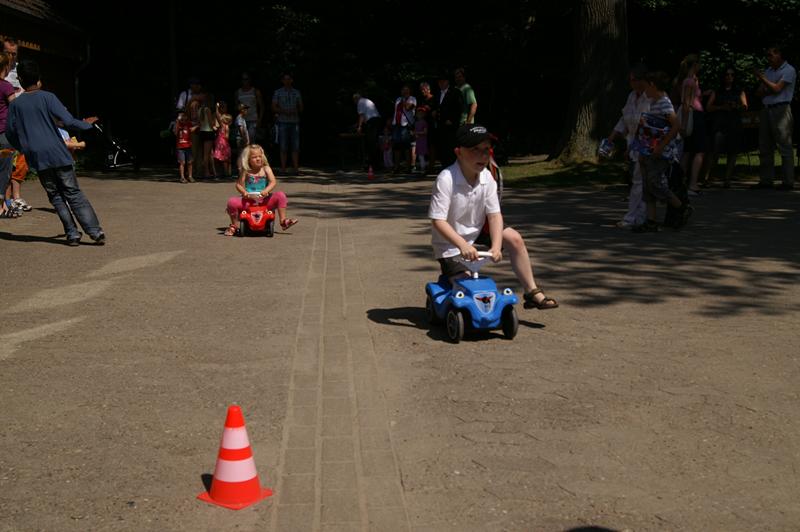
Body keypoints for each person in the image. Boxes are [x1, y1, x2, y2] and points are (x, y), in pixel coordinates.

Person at [429, 123, 558, 310]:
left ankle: (532, 291)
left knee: (514, 238)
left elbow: (495, 215)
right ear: (458, 152)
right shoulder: (446, 179)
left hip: (477, 230)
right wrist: (463, 245)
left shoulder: (487, 177)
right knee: (467, 282)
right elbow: (438, 221)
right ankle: (451, 278)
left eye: (486, 149)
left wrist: (497, 246)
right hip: (451, 243)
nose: (483, 155)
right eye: (475, 149)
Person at [6, 59, 105, 245]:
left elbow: (10, 132)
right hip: (57, 152)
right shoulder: (48, 97)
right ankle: (95, 232)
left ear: (20, 79)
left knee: (56, 196)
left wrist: (24, 147)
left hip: (37, 156)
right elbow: (68, 121)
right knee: (73, 192)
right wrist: (87, 125)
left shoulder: (15, 105)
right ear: (39, 78)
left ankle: (72, 234)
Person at [633, 71, 692, 233]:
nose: (644, 90)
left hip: (661, 152)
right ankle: (651, 221)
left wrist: (661, 146)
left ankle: (681, 206)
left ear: (652, 85)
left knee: (655, 182)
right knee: (647, 186)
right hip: (648, 150)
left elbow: (676, 126)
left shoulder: (664, 102)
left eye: (646, 86)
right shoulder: (653, 102)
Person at [605, 64, 651, 228]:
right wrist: (611, 138)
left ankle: (633, 218)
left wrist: (633, 146)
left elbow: (646, 125)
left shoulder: (650, 97)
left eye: (634, 80)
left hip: (645, 144)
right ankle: (640, 216)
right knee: (639, 181)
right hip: (633, 143)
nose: (631, 83)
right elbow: (624, 119)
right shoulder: (632, 96)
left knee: (639, 181)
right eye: (630, 80)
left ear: (642, 80)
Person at [224, 144, 298, 236]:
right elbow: (239, 185)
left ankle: (283, 221)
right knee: (232, 202)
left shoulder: (266, 169)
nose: (258, 159)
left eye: (260, 156)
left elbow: (273, 182)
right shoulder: (246, 171)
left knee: (280, 195)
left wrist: (266, 190)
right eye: (254, 157)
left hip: (264, 200)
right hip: (249, 201)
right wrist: (244, 192)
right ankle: (234, 226)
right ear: (248, 160)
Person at [752, 45, 796, 190]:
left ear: (779, 55)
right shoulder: (769, 71)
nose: (768, 58)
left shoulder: (789, 70)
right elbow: (759, 92)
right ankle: (766, 180)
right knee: (764, 146)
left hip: (781, 109)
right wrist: (770, 87)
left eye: (771, 55)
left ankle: (788, 182)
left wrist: (762, 79)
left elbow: (777, 89)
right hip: (766, 109)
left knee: (784, 146)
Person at [705, 68, 748, 187]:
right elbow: (708, 107)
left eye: (732, 75)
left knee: (733, 152)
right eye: (727, 74)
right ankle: (708, 178)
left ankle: (727, 179)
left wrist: (736, 106)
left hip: (734, 124)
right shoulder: (717, 91)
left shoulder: (739, 91)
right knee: (715, 151)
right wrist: (721, 107)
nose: (729, 77)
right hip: (719, 124)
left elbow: (745, 106)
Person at [675, 54, 709, 196]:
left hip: (694, 114)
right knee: (699, 150)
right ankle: (692, 183)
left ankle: (681, 183)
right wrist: (683, 125)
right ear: (695, 65)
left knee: (688, 150)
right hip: (694, 116)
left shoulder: (691, 80)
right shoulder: (689, 82)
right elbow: (686, 103)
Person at [0, 49, 20, 218]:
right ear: (5, 67)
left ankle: (4, 205)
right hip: (4, 135)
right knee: (4, 171)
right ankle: (1, 207)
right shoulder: (6, 86)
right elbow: (16, 109)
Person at [271, 72, 303, 175]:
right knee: (283, 146)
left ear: (292, 80)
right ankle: (283, 169)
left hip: (294, 122)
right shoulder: (278, 92)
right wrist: (283, 111)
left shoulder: (296, 92)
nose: (287, 81)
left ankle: (296, 169)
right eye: (285, 79)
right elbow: (273, 107)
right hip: (282, 122)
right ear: (282, 81)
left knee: (295, 146)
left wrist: (295, 110)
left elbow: (301, 107)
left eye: (289, 79)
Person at [434, 73, 463, 168]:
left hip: (451, 125)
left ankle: (454, 167)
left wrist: (452, 120)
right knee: (442, 147)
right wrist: (434, 112)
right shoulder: (437, 93)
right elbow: (437, 107)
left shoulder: (455, 92)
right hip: (440, 125)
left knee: (451, 146)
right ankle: (445, 166)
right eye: (439, 82)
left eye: (443, 81)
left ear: (447, 82)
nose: (441, 83)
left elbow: (459, 108)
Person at [353, 92, 383, 172]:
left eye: (354, 100)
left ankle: (373, 166)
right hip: (377, 121)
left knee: (371, 144)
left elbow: (361, 115)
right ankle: (377, 164)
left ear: (356, 99)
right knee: (375, 143)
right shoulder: (366, 100)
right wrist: (358, 124)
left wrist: (359, 127)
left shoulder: (360, 102)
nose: (354, 102)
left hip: (372, 122)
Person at [391, 84, 416, 173]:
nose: (404, 92)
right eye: (403, 90)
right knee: (396, 146)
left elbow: (408, 108)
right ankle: (396, 167)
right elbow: (396, 111)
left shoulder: (412, 99)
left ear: (409, 91)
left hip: (405, 125)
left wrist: (405, 100)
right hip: (396, 125)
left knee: (406, 146)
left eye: (406, 90)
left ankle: (408, 167)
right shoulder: (398, 99)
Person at [235, 72, 263, 146]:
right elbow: (236, 106)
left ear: (250, 80)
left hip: (253, 120)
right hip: (242, 121)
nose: (245, 81)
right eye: (243, 79)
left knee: (251, 142)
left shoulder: (255, 91)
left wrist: (259, 120)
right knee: (242, 141)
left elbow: (261, 106)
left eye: (246, 79)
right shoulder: (238, 92)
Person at [418, 81, 438, 171]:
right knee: (427, 145)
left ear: (428, 89)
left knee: (432, 145)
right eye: (421, 90)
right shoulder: (423, 100)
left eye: (423, 89)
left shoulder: (434, 99)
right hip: (424, 124)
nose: (422, 91)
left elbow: (436, 111)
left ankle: (431, 166)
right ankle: (428, 164)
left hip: (432, 125)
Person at [174, 110, 196, 183]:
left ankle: (190, 176)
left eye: (184, 116)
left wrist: (197, 126)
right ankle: (182, 177)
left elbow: (191, 129)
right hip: (180, 147)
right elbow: (175, 132)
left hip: (188, 145)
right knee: (182, 162)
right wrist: (177, 121)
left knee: (190, 162)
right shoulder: (178, 124)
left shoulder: (188, 124)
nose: (182, 118)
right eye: (181, 116)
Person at [213, 103, 233, 178]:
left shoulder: (223, 126)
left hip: (221, 143)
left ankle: (224, 173)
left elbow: (217, 115)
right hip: (224, 143)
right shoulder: (227, 127)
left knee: (222, 158)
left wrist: (217, 107)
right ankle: (227, 173)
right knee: (226, 159)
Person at [413, 106, 429, 174]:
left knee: (422, 155)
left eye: (421, 113)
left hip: (423, 141)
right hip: (418, 141)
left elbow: (425, 132)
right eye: (418, 113)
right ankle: (422, 168)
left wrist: (417, 133)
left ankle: (423, 168)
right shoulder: (416, 123)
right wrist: (414, 134)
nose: (419, 115)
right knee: (419, 155)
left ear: (424, 115)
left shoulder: (424, 122)